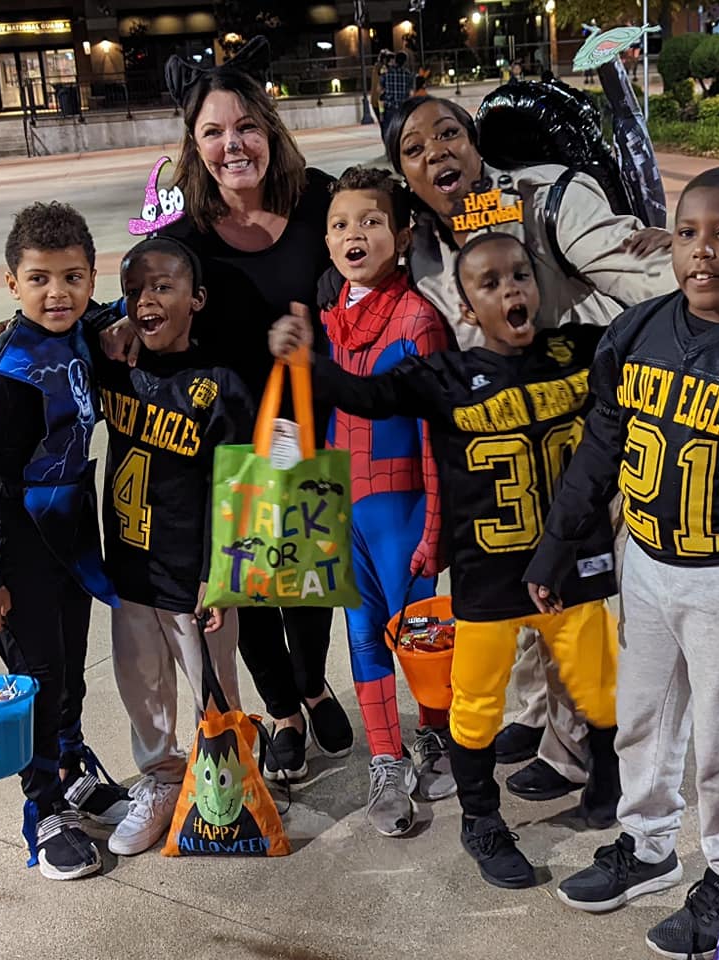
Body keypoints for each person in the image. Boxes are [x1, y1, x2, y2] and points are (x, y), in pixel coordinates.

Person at [525, 167, 719, 959]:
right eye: (690, 231)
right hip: (648, 564)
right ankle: (649, 846)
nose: (704, 250)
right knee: (644, 719)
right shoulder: (638, 332)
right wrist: (560, 542)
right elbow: (602, 447)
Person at [271, 232, 620, 887]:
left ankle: (605, 790)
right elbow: (364, 396)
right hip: (492, 580)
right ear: (465, 309)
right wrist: (308, 359)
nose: (511, 289)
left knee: (600, 691)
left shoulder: (576, 351)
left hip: (571, 571)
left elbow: (645, 326)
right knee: (477, 708)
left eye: (521, 276)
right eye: (490, 283)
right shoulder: (445, 377)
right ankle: (482, 823)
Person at [383, 94, 672, 810]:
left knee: (583, 601)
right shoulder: (422, 239)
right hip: (517, 433)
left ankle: (593, 763)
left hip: (597, 423)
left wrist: (710, 269)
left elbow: (642, 277)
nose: (436, 154)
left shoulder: (549, 198)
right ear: (405, 175)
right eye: (415, 150)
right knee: (533, 584)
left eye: (448, 134)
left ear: (474, 142)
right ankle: (546, 720)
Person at [103, 56, 354, 782]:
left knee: (304, 581)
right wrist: (111, 323)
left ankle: (312, 684)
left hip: (303, 423)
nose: (232, 144)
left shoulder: (319, 203)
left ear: (269, 130)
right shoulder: (187, 232)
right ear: (194, 143)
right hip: (220, 434)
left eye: (245, 126)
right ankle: (281, 711)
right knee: (244, 587)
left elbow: (380, 259)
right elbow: (143, 289)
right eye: (213, 132)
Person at [0, 202, 126, 881]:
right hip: (16, 554)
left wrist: (107, 316)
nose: (59, 293)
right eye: (40, 279)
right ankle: (43, 811)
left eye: (74, 277)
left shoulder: (78, 329)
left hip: (67, 542)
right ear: (11, 283)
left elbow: (107, 306)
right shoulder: (1, 376)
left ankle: (74, 771)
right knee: (38, 680)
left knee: (69, 672)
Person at [94, 237, 255, 856]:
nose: (146, 300)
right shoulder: (112, 359)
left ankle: (227, 775)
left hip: (195, 578)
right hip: (130, 567)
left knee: (212, 688)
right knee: (141, 685)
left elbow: (237, 489)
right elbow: (55, 325)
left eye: (162, 287)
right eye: (134, 290)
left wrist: (221, 570)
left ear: (197, 299)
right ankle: (161, 780)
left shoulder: (218, 386)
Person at [316, 165, 453, 836]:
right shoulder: (323, 317)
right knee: (362, 637)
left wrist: (436, 522)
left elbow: (435, 434)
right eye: (340, 224)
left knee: (421, 640)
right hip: (344, 508)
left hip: (402, 508)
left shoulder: (418, 320)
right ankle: (384, 758)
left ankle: (434, 736)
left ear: (401, 236)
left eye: (371, 221)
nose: (354, 234)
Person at [380, 52, 413, 140]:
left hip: (390, 106)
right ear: (405, 62)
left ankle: (389, 149)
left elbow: (380, 88)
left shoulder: (387, 74)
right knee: (401, 131)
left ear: (395, 60)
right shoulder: (408, 75)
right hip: (402, 108)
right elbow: (410, 91)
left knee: (387, 131)